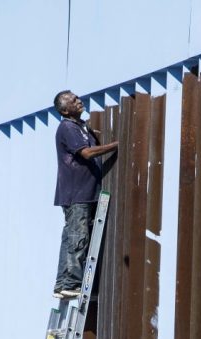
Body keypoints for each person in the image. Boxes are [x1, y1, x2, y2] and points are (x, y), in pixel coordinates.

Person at [52, 89, 120, 298]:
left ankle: (74, 281)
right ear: (64, 110)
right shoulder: (67, 127)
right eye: (73, 100)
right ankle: (66, 283)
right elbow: (86, 153)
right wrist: (117, 144)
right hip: (77, 193)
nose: (79, 101)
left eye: (78, 98)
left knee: (83, 237)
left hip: (87, 191)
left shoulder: (81, 127)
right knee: (76, 236)